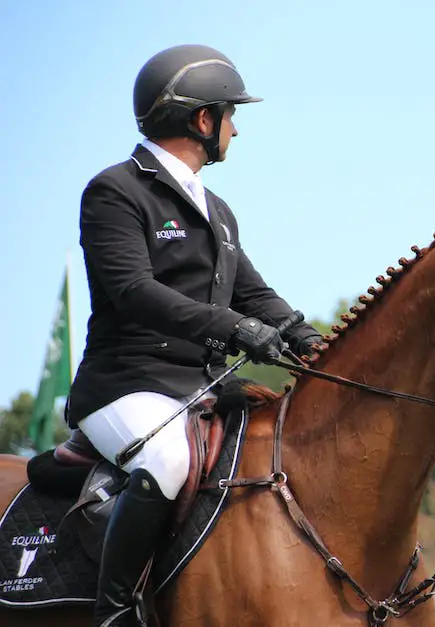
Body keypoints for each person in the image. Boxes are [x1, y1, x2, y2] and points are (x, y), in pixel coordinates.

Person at [66, 44, 322, 626]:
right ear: (203, 120)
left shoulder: (218, 210)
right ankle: (115, 612)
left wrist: (312, 343)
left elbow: (253, 293)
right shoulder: (116, 191)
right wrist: (237, 329)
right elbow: (133, 290)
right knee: (166, 460)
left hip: (199, 388)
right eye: (231, 115)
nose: (236, 130)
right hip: (126, 388)